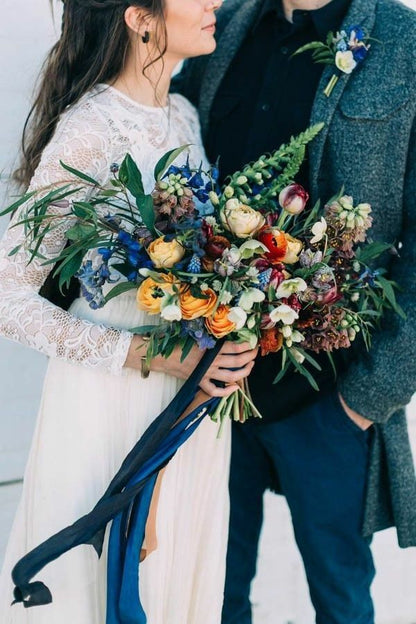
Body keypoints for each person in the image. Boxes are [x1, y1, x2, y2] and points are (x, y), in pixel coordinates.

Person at [0, 0, 259, 622]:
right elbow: (8, 300)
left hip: (188, 407)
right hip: (111, 405)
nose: (215, 3)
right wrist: (151, 353)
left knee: (178, 585)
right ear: (140, 17)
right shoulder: (88, 130)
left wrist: (237, 329)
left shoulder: (184, 116)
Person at [174, 0, 416, 621]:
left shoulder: (403, 40)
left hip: (331, 396)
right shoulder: (224, 27)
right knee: (209, 590)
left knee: (340, 599)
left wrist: (367, 399)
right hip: (210, 389)